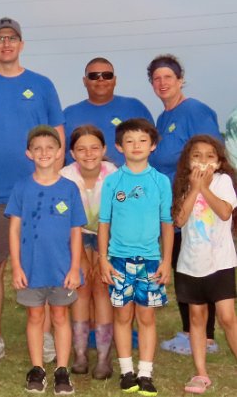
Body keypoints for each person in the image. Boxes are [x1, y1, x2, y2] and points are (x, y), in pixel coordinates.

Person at [0, 17, 65, 364]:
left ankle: (47, 335)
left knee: (42, 267)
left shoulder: (43, 85)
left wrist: (56, 184)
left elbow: (58, 140)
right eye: (0, 39)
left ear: (22, 44)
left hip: (39, 191)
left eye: (13, 38)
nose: (6, 44)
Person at [146, 54, 223, 356]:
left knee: (198, 268)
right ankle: (189, 331)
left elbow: (211, 157)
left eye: (168, 77)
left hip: (196, 207)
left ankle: (206, 337)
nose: (162, 83)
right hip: (172, 207)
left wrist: (197, 196)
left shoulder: (196, 111)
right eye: (156, 79)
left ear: (180, 79)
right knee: (181, 268)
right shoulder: (163, 118)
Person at [6, 125, 85, 395]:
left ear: (60, 152)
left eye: (50, 148)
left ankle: (62, 370)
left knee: (61, 316)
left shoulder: (70, 189)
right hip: (30, 267)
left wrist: (75, 267)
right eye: (37, 148)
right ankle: (37, 368)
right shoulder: (21, 187)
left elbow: (76, 232)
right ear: (29, 153)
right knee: (35, 315)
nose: (44, 153)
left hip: (62, 267)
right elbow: (14, 230)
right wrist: (16, 266)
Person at [98, 118, 174, 396]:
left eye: (143, 140)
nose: (136, 146)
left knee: (146, 318)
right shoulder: (112, 181)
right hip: (118, 260)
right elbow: (103, 222)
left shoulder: (161, 181)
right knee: (122, 316)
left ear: (153, 145)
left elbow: (167, 223)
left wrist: (166, 261)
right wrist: (103, 259)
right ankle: (126, 371)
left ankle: (145, 372)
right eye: (129, 141)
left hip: (151, 262)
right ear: (119, 146)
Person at [171, 135, 237, 394]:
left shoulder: (223, 182)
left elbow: (223, 212)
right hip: (190, 264)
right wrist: (195, 188)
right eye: (196, 155)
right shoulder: (183, 184)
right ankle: (201, 373)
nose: (203, 161)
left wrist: (205, 188)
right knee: (197, 318)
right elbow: (179, 219)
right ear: (188, 160)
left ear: (220, 162)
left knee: (227, 318)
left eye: (210, 156)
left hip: (220, 263)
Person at [60, 125, 117, 379]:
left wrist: (102, 256)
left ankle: (104, 357)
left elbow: (118, 217)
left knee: (102, 287)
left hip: (109, 235)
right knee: (81, 288)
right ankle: (80, 353)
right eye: (81, 149)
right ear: (72, 152)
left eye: (95, 148)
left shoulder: (114, 175)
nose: (88, 153)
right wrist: (82, 257)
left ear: (104, 149)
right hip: (75, 235)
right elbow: (67, 222)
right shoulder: (65, 176)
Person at [63, 57, 153, 165]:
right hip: (81, 181)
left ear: (115, 80)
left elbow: (153, 147)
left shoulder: (135, 107)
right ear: (85, 81)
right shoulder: (68, 114)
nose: (101, 79)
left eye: (107, 75)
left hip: (128, 180)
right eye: (94, 76)